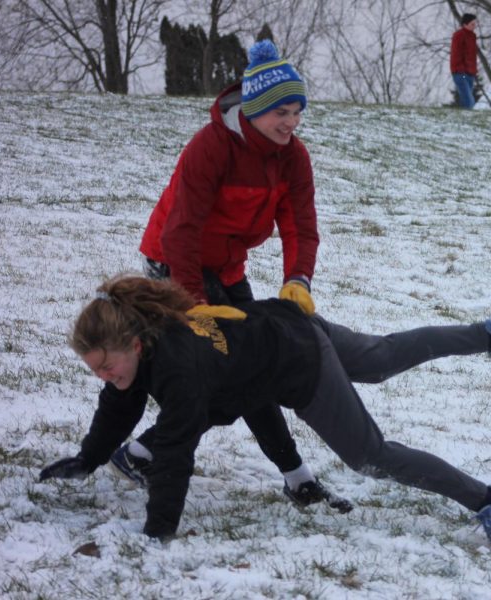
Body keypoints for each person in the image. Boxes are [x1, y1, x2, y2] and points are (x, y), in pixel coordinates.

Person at [39, 275, 491, 549]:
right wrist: (88, 458)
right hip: (285, 323)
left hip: (297, 359)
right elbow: (116, 408)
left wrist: (157, 531)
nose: (103, 377)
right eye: (94, 371)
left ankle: (489, 499)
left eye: (105, 365)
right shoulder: (142, 352)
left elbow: (173, 453)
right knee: (380, 358)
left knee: (369, 456)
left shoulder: (176, 370)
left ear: (132, 342)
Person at [124, 39, 337, 510]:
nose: (292, 122)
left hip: (226, 265)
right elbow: (182, 230)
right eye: (282, 111)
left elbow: (300, 224)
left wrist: (298, 278)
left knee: (252, 362)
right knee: (224, 369)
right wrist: (192, 302)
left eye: (298, 111)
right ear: (255, 109)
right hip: (174, 262)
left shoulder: (293, 156)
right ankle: (296, 477)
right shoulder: (212, 146)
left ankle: (140, 453)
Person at [450, 13, 479, 109]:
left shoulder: (473, 36)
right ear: (465, 24)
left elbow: (472, 55)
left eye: (475, 24)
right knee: (469, 99)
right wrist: (460, 69)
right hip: (460, 72)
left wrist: (474, 70)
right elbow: (456, 53)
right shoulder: (458, 35)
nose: (475, 26)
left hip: (470, 72)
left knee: (468, 98)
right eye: (472, 24)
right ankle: (468, 118)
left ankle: (466, 117)